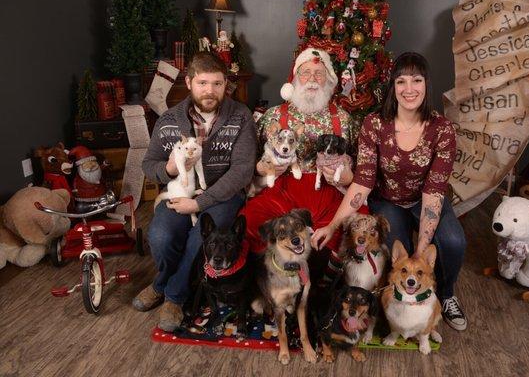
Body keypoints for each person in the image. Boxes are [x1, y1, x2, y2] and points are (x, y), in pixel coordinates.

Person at [312, 52, 468, 331]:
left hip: (426, 202)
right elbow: (362, 183)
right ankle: (394, 302)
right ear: (393, 87)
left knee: (454, 242)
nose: (409, 89)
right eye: (401, 81)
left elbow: (433, 193)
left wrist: (421, 255)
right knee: (396, 255)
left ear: (426, 84)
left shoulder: (441, 129)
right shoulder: (374, 124)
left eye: (416, 81)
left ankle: (445, 294)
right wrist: (333, 225)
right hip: (388, 202)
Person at [132, 52, 257, 332]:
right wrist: (170, 169)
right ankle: (168, 281)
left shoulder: (241, 117)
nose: (209, 91)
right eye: (202, 83)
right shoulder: (169, 119)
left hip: (224, 194)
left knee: (199, 239)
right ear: (189, 82)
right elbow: (148, 164)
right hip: (180, 190)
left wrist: (200, 203)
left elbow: (242, 172)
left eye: (216, 83)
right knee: (161, 235)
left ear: (226, 84)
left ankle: (171, 294)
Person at [238, 47, 367, 281]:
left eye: (319, 74)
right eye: (306, 73)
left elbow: (363, 170)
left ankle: (331, 281)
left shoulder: (345, 119)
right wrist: (262, 168)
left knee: (361, 224)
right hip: (283, 191)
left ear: (329, 80)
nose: (312, 80)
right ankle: (265, 281)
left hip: (329, 193)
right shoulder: (274, 115)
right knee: (249, 221)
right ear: (295, 78)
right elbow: (248, 162)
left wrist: (349, 176)